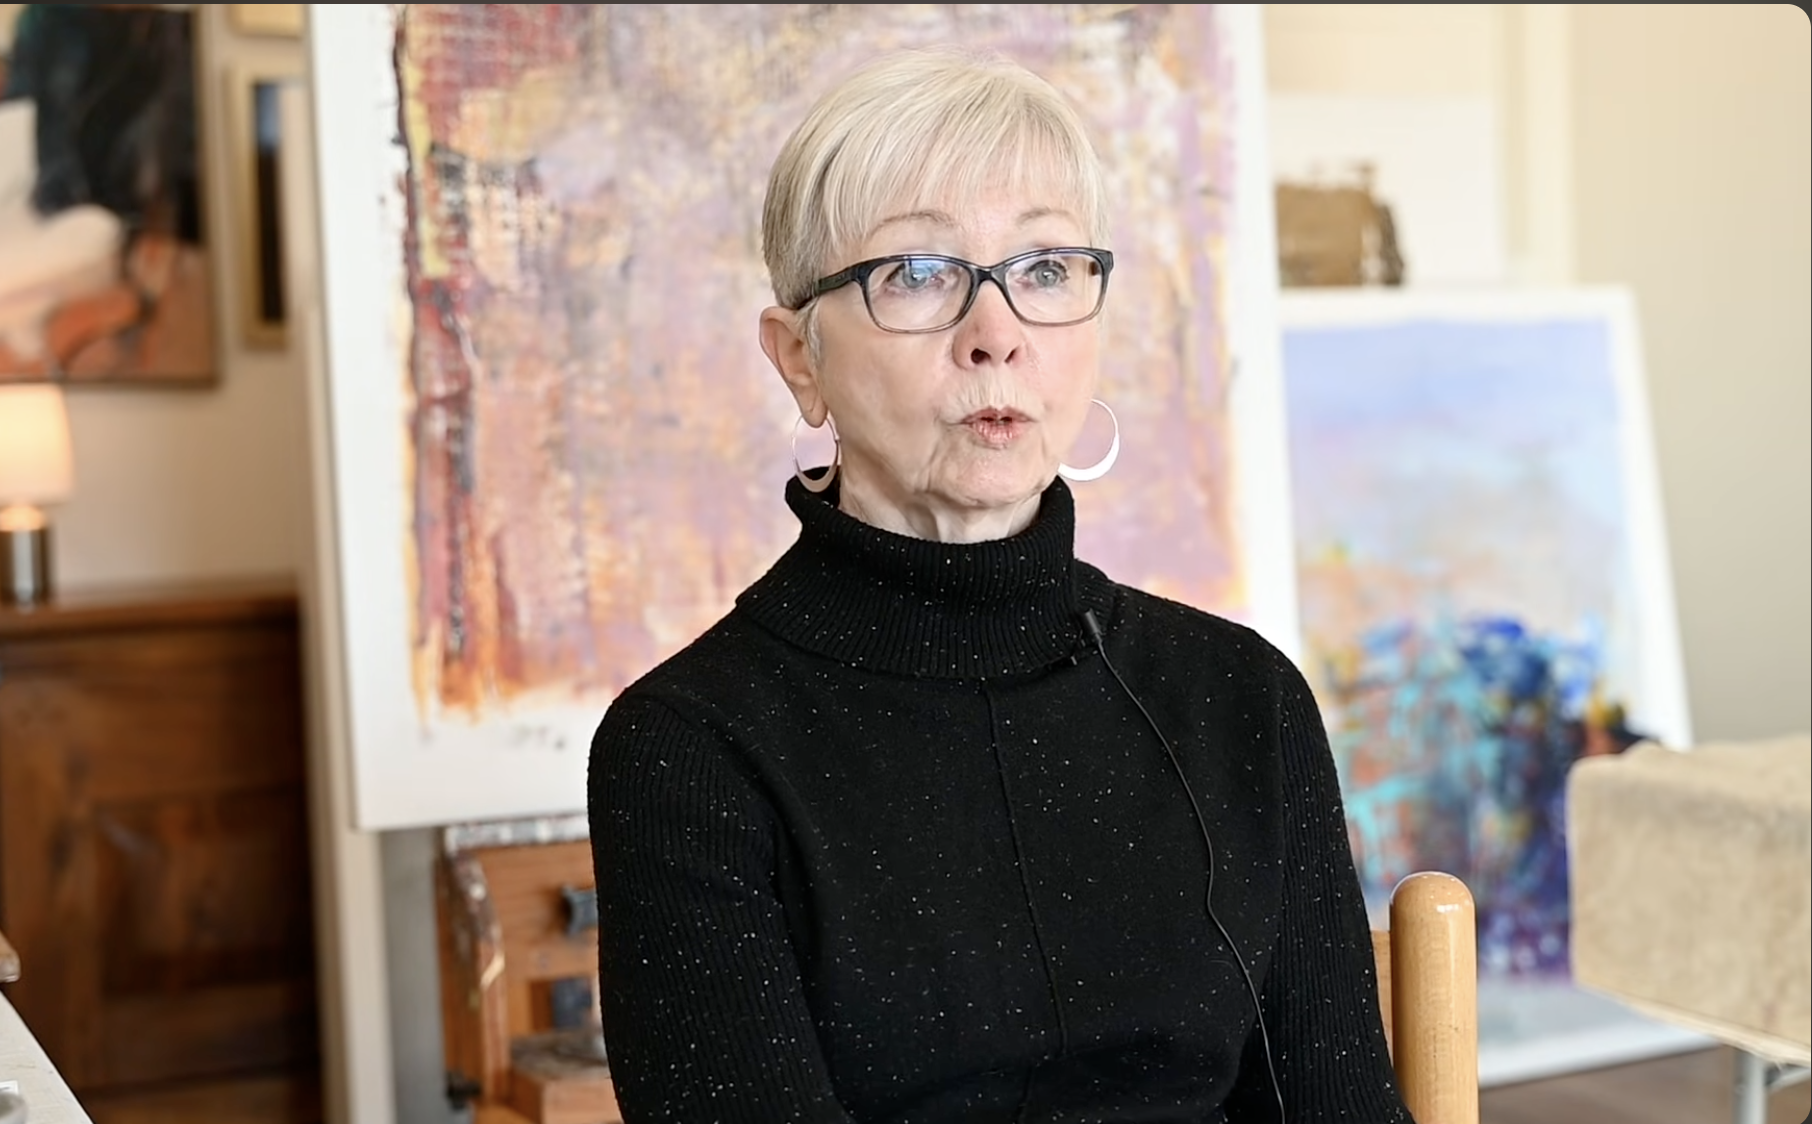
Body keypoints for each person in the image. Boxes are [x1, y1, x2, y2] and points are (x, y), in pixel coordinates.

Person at [586, 45, 1415, 1124]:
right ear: (798, 357)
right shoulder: (688, 750)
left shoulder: (1240, 697)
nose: (996, 336)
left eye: (1043, 269)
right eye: (917, 274)